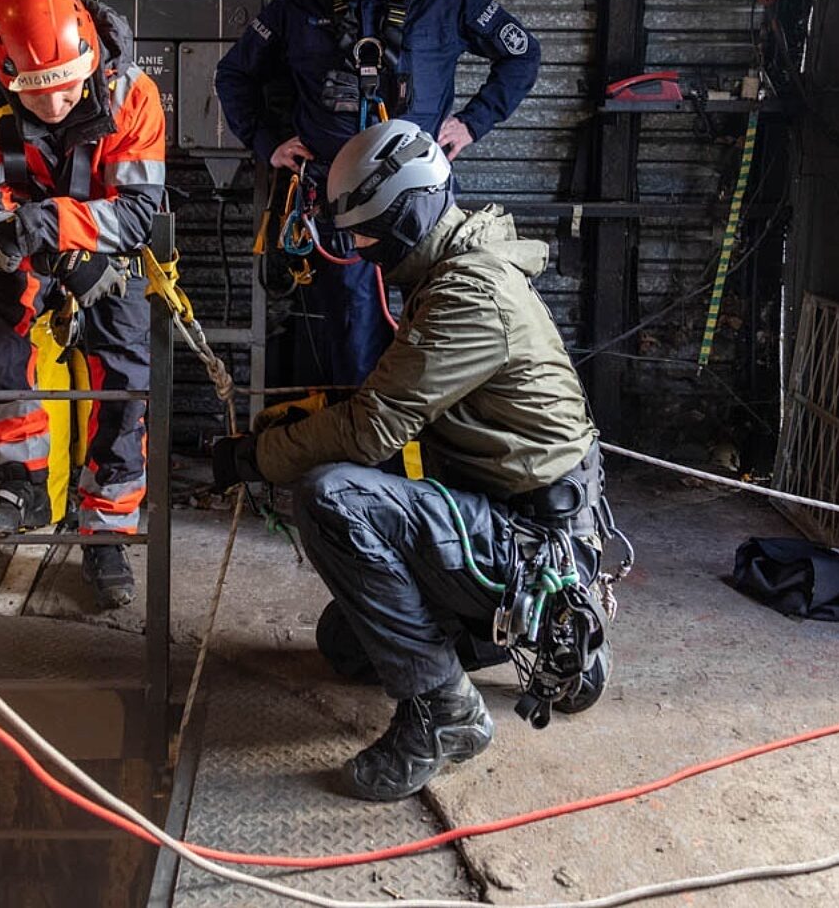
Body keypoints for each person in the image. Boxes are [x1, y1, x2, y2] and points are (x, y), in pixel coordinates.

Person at [212, 119, 619, 802]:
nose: (359, 251)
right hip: (517, 513)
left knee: (330, 497)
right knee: (346, 645)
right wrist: (310, 420)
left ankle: (445, 711)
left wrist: (256, 457)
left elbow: (373, 428)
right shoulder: (452, 266)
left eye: (366, 235)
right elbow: (400, 401)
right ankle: (555, 638)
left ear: (404, 220)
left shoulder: (468, 294)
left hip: (530, 540)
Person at [215, 0, 541, 385]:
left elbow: (521, 52)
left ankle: (429, 428)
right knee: (353, 333)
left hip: (424, 201)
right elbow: (234, 75)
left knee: (441, 320)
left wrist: (473, 122)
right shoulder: (296, 7)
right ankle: (361, 430)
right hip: (336, 203)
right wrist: (268, 141)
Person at [0, 0, 168, 609]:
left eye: (69, 85)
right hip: (22, 245)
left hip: (105, 248)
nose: (58, 103)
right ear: (4, 71)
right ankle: (19, 487)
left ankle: (106, 531)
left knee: (125, 368)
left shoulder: (133, 94)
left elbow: (137, 212)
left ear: (91, 54)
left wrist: (59, 234)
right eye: (38, 92)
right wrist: (29, 240)